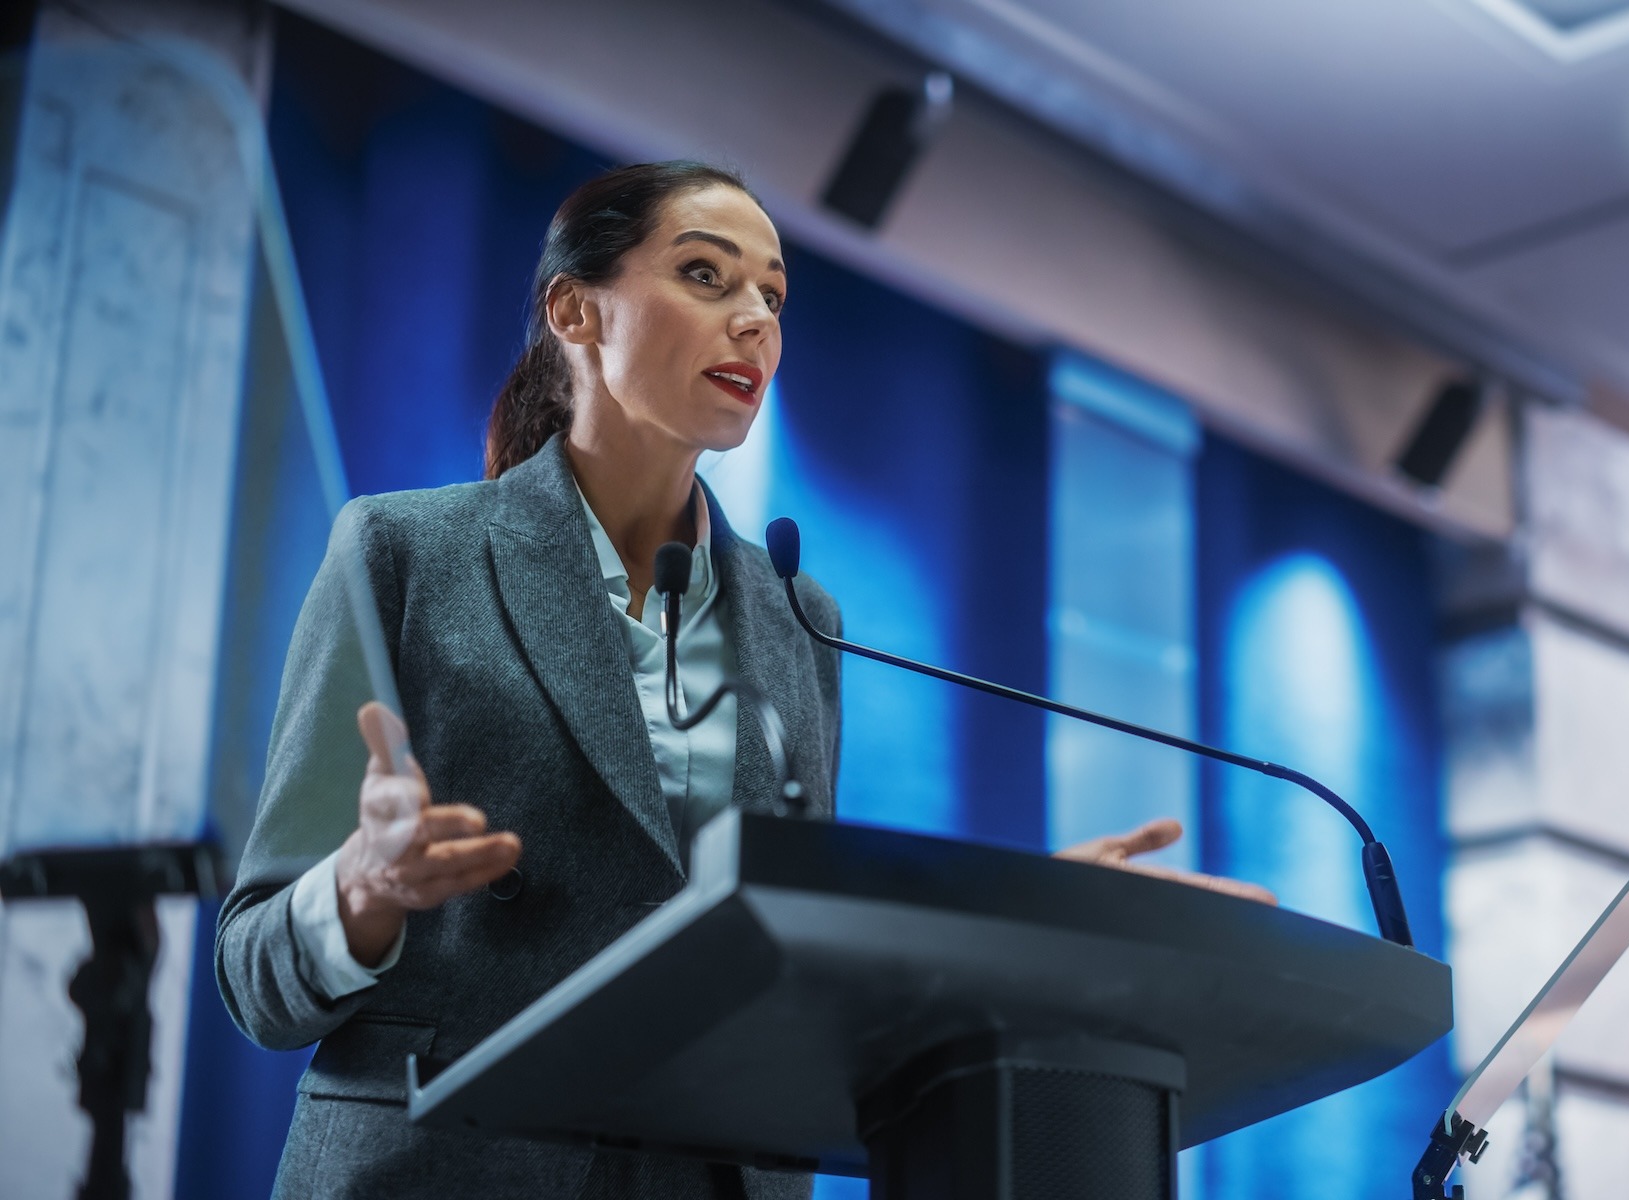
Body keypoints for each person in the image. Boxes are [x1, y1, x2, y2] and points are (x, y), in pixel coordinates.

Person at [217, 161, 1270, 1200]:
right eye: (707, 276)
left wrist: (1043, 917)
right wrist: (360, 892)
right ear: (574, 311)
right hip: (445, 1168)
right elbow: (253, 975)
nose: (756, 319)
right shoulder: (403, 552)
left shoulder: (801, 620)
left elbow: (797, 950)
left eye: (773, 294)